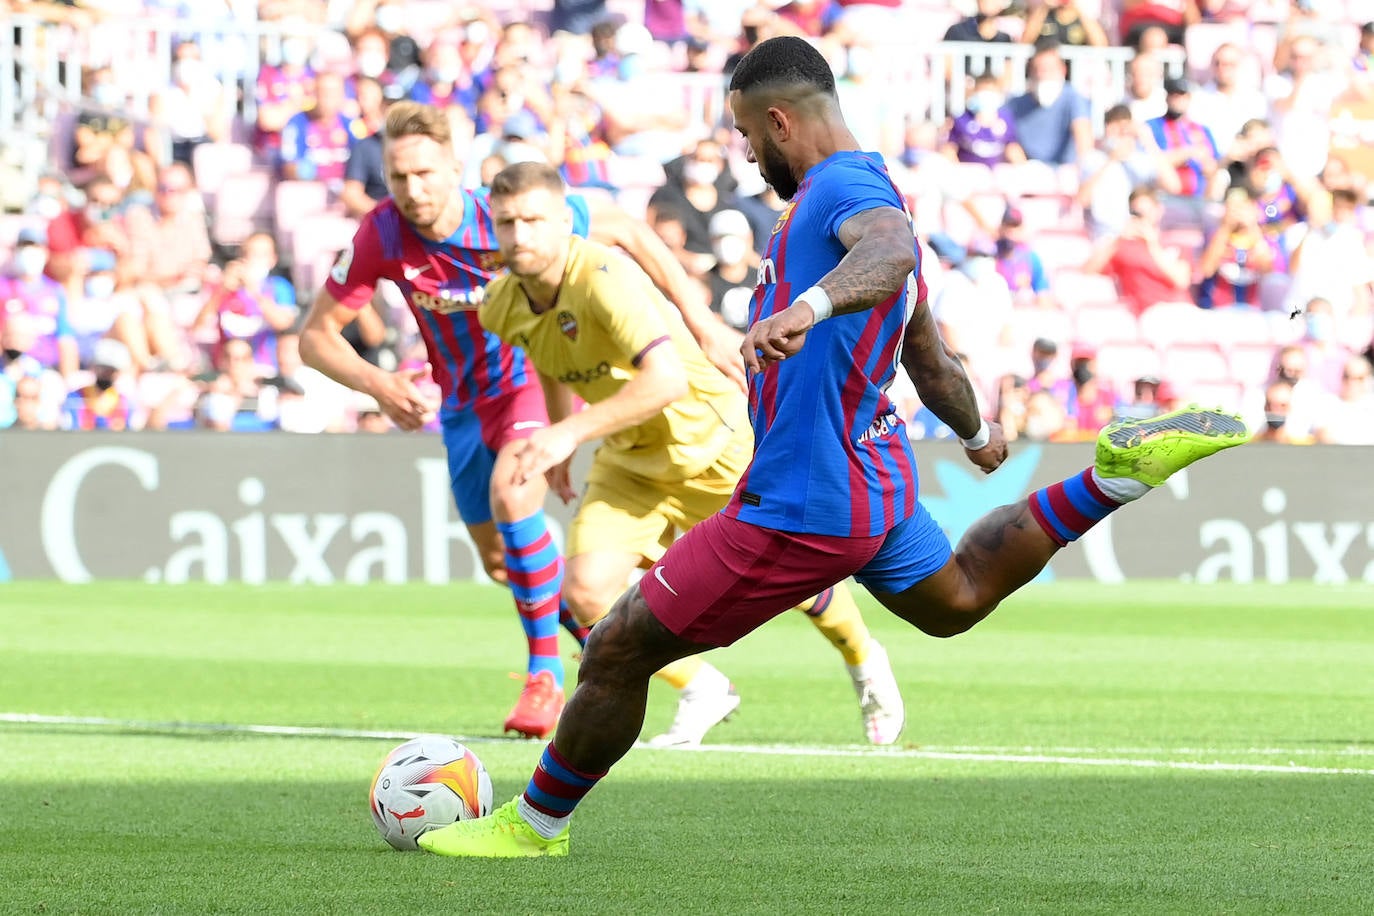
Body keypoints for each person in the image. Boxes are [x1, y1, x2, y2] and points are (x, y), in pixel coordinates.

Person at [418, 35, 1250, 859]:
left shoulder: (840, 193)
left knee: (617, 645)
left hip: (804, 497)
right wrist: (975, 431)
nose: (746, 156)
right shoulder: (862, 192)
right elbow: (929, 352)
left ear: (779, 121)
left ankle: (535, 827)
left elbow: (889, 254)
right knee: (954, 599)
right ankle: (1114, 478)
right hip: (871, 476)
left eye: (748, 136)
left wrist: (805, 310)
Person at [298, 101, 745, 740]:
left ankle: (545, 677)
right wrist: (378, 384)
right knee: (508, 565)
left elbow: (629, 231)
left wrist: (700, 319)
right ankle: (695, 680)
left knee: (515, 491)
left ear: (457, 166)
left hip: (533, 380)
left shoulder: (509, 219)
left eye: (426, 173)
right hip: (462, 407)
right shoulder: (382, 235)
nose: (413, 190)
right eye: (399, 178)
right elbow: (314, 339)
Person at [479, 161, 905, 747]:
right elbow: (550, 356)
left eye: (532, 219)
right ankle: (703, 686)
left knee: (796, 580)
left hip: (711, 440)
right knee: (583, 592)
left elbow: (666, 383)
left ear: (564, 223)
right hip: (632, 461)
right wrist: (560, 429)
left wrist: (568, 435)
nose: (520, 235)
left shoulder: (603, 275)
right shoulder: (499, 303)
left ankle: (865, 662)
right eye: (507, 223)